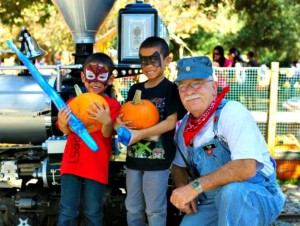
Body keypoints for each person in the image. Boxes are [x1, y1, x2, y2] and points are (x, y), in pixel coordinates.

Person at [170, 56, 285, 226]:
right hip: (212, 201)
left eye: (197, 83)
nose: (190, 91)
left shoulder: (232, 112)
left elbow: (246, 167)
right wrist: (181, 188)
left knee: (233, 193)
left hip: (255, 194)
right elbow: (178, 165)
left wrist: (193, 187)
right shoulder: (185, 127)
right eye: (183, 86)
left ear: (214, 87)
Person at [114, 36, 186, 226]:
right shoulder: (135, 90)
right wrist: (117, 126)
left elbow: (170, 122)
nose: (148, 65)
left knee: (154, 209)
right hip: (133, 160)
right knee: (133, 207)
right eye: (143, 61)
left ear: (167, 60)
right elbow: (123, 120)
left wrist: (140, 134)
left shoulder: (171, 89)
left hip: (159, 161)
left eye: (154, 59)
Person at [56, 52, 121, 226]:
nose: (95, 82)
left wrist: (106, 121)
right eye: (91, 76)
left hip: (96, 165)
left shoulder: (112, 105)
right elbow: (67, 131)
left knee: (93, 211)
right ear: (83, 77)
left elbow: (108, 134)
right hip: (71, 163)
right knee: (67, 210)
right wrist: (63, 124)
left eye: (101, 77)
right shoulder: (73, 103)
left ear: (110, 79)